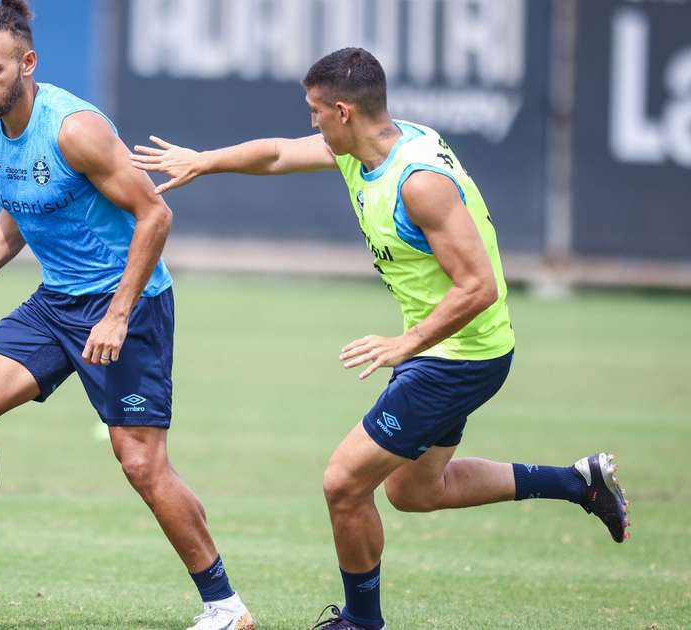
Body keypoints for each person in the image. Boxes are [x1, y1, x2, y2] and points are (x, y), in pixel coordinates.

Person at [130, 47, 629, 629]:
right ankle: (578, 483)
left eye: (316, 111)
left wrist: (406, 344)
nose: (310, 122)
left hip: (458, 355)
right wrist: (202, 160)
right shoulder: (360, 146)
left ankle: (362, 623)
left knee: (343, 484)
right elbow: (276, 154)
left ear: (343, 111)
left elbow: (480, 287)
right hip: (445, 350)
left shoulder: (419, 183)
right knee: (416, 493)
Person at [0, 2, 254, 628]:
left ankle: (225, 606)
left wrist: (117, 314)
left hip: (126, 306)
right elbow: (19, 209)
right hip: (56, 302)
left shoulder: (74, 130)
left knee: (140, 463)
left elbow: (155, 216)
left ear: (28, 64)